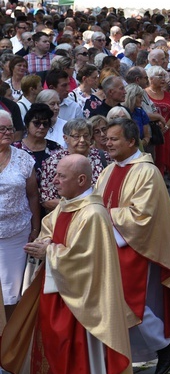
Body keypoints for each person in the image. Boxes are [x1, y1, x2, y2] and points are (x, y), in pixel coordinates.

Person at [3, 154, 134, 374]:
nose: (54, 180)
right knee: (43, 363)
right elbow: (49, 233)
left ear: (81, 179)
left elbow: (86, 264)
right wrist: (45, 243)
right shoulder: (66, 206)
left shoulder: (94, 214)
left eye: (61, 176)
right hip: (53, 298)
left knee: (78, 366)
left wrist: (49, 250)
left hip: (82, 310)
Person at [94, 117, 170, 374]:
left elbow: (142, 216)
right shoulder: (109, 170)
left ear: (131, 141)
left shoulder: (146, 172)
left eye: (114, 139)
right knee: (110, 303)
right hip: (107, 245)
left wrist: (103, 216)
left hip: (134, 247)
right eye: (107, 139)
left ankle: (164, 345)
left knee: (130, 302)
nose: (108, 144)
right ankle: (115, 356)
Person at [0, 111, 40, 322]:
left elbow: (33, 196)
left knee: (11, 293)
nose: (7, 133)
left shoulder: (24, 158)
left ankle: (8, 338)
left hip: (16, 235)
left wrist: (35, 229)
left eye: (9, 129)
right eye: (2, 129)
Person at [39, 118, 110, 212]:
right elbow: (47, 200)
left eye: (86, 136)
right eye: (76, 136)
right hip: (67, 215)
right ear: (65, 138)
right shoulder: (53, 162)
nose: (82, 140)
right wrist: (82, 208)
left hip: (100, 213)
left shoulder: (104, 157)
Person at [12, 103, 61, 186]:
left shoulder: (56, 148)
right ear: (27, 125)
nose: (41, 127)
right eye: (37, 123)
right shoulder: (14, 149)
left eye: (45, 124)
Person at [145, 65, 170, 178]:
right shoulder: (144, 94)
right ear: (151, 78)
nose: (163, 79)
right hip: (150, 132)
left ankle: (161, 184)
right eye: (160, 76)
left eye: (164, 76)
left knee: (162, 161)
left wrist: (166, 127)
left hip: (165, 132)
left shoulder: (168, 95)